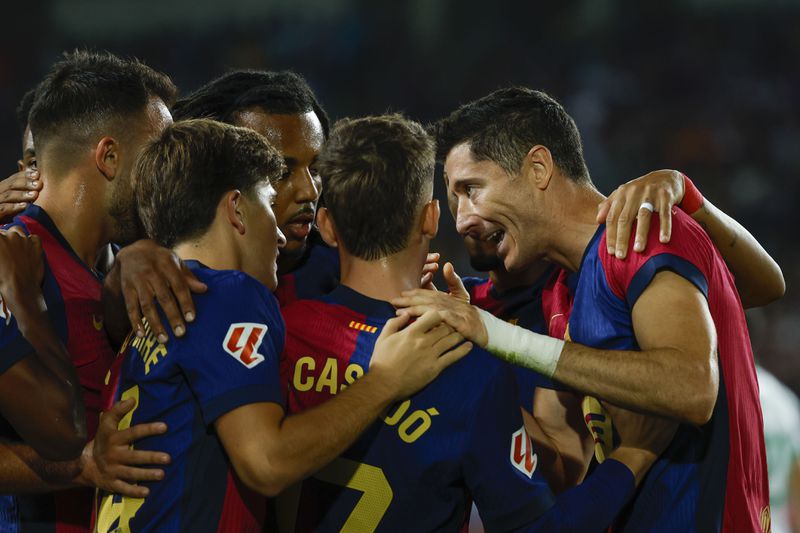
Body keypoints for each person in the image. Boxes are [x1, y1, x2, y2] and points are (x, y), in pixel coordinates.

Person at [394, 87, 776, 531]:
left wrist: (688, 195)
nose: (462, 220)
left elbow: (692, 388)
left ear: (538, 168)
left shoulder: (640, 233)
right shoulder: (561, 293)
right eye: (455, 199)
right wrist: (478, 355)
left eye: (472, 189)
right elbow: (562, 468)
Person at [280, 113, 675, 532]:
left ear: (325, 226)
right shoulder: (465, 365)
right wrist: (634, 455)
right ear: (431, 217)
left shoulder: (284, 332)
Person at [96, 118, 469, 531]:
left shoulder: (142, 325)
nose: (277, 235)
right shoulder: (228, 293)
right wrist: (385, 381)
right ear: (236, 209)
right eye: (267, 204)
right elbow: (266, 463)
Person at [0, 50, 176, 532]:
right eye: (158, 156)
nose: (169, 176)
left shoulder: (118, 266)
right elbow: (62, 435)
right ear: (109, 157)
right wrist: (83, 465)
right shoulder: (11, 261)